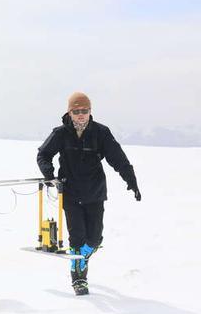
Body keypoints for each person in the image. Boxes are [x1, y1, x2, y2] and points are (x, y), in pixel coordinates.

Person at [37, 92, 141, 295]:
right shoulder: (60, 133)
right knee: (77, 238)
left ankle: (83, 256)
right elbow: (43, 154)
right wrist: (48, 173)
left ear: (90, 111)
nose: (81, 115)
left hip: (95, 193)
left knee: (94, 239)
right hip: (70, 193)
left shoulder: (100, 133)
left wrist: (132, 181)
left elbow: (118, 159)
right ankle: (79, 278)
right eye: (77, 111)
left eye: (85, 111)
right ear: (70, 112)